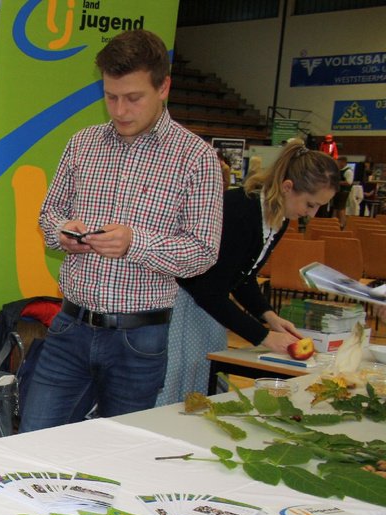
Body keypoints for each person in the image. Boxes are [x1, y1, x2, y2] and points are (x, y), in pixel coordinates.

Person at [20, 29, 222, 432]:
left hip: (139, 339)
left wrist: (134, 244)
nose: (120, 110)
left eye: (133, 98)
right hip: (69, 327)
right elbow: (49, 213)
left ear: (163, 87)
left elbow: (202, 252)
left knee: (120, 451)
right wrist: (62, 232)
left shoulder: (196, 158)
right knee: (32, 438)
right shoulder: (83, 144)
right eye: (110, 97)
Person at [155, 143, 339, 405]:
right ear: (287, 187)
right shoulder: (240, 209)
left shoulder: (278, 217)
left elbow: (242, 276)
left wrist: (268, 315)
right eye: (310, 204)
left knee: (203, 381)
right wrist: (263, 336)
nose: (311, 214)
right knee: (176, 382)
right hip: (182, 303)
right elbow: (207, 290)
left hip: (207, 306)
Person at [333, 156, 354, 226]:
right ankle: (334, 222)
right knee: (336, 208)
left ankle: (342, 223)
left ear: (343, 162)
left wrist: (337, 182)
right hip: (338, 191)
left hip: (343, 192)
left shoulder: (348, 171)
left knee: (341, 208)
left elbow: (349, 182)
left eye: (338, 162)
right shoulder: (339, 170)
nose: (337, 164)